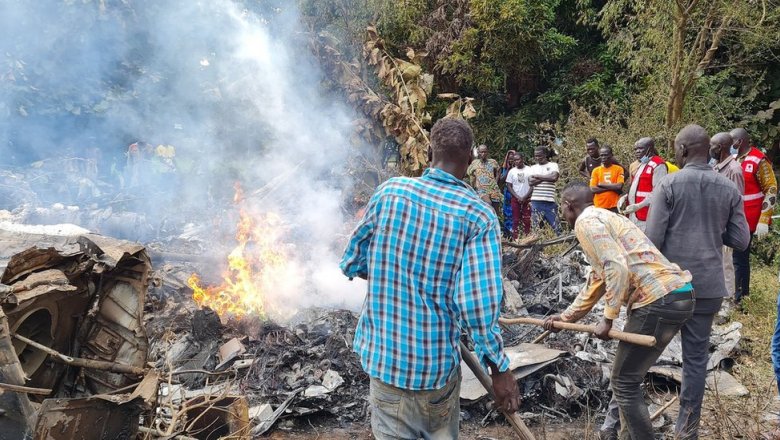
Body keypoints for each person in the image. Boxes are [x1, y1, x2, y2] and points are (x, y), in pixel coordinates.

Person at [340, 118, 520, 439]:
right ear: (468, 161)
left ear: (428, 151)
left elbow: (352, 260)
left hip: (386, 367)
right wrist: (499, 369)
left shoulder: (390, 192)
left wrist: (387, 270)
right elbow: (476, 306)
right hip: (435, 373)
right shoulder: (478, 216)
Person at [543, 182, 694, 440]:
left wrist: (607, 318)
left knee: (623, 381)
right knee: (628, 378)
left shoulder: (586, 222)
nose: (562, 214)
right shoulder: (605, 217)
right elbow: (598, 280)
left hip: (657, 298)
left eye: (562, 208)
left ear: (568, 205)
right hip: (679, 295)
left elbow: (617, 268)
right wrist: (565, 317)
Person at [645, 124, 750, 439]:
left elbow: (651, 240)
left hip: (670, 288)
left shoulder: (669, 184)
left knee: (642, 356)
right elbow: (741, 240)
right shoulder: (728, 188)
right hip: (707, 289)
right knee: (695, 363)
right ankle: (686, 432)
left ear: (685, 150)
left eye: (677, 147)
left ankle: (617, 425)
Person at [730, 127, 777, 303]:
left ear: (739, 142)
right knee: (733, 260)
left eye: (731, 141)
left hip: (750, 219)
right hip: (733, 218)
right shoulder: (732, 159)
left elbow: (771, 189)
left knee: (740, 260)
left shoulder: (759, 160)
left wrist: (764, 219)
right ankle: (734, 295)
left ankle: (742, 299)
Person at [710, 132, 745, 299]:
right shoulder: (715, 166)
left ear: (720, 147)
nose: (710, 149)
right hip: (712, 224)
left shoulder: (734, 169)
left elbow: (737, 202)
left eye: (712, 146)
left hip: (724, 225)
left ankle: (727, 301)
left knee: (725, 265)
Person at [622, 137, 667, 231]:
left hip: (647, 215)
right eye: (635, 149)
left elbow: (658, 192)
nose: (637, 151)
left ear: (650, 148)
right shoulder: (642, 163)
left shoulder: (658, 165)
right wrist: (625, 197)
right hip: (634, 214)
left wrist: (639, 205)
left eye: (640, 148)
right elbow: (637, 186)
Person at [528, 146, 561, 235]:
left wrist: (538, 176)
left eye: (540, 156)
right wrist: (547, 177)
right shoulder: (533, 168)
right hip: (536, 202)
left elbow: (554, 177)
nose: (538, 158)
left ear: (545, 155)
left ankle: (562, 246)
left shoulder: (553, 165)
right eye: (536, 156)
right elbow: (531, 182)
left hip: (550, 202)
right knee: (536, 229)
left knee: (557, 228)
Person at [467, 144, 503, 216]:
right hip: (481, 190)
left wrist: (496, 180)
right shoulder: (475, 163)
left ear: (487, 152)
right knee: (488, 204)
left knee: (496, 211)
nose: (483, 154)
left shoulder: (492, 162)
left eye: (485, 152)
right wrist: (474, 185)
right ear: (478, 152)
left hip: (493, 189)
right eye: (481, 152)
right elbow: (470, 173)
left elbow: (499, 170)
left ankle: (495, 225)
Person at [589, 145, 625, 212]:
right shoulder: (596, 170)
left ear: (611, 155)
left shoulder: (618, 169)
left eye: (605, 155)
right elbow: (593, 189)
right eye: (601, 155)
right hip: (599, 206)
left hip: (614, 206)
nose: (603, 157)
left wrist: (601, 184)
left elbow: (619, 186)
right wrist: (612, 187)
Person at [506, 153, 532, 238]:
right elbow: (509, 186)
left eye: (518, 159)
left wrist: (525, 197)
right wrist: (517, 197)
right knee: (515, 220)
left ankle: (527, 238)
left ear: (522, 159)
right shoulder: (512, 171)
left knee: (527, 219)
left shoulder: (529, 170)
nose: (516, 162)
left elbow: (532, 185)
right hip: (515, 199)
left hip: (527, 198)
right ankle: (516, 239)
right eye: (514, 160)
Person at [499, 150, 517, 237]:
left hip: (517, 193)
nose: (511, 161)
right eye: (509, 159)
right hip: (508, 193)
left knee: (516, 213)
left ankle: (515, 233)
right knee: (507, 213)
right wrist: (509, 170)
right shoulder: (505, 168)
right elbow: (501, 180)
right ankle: (508, 233)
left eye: (512, 159)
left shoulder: (520, 169)